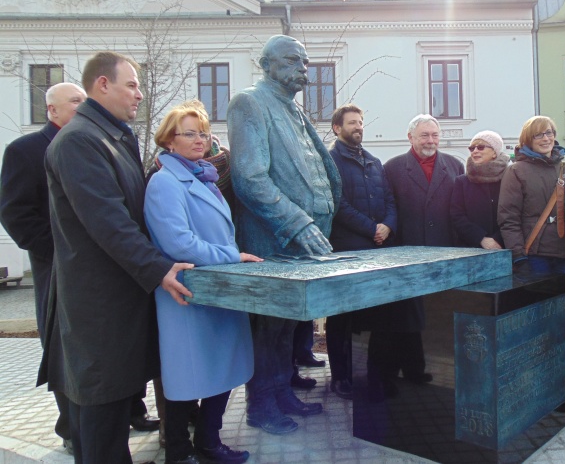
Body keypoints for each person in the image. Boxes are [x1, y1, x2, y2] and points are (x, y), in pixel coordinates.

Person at [39, 51, 194, 464]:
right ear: (102, 85)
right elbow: (109, 222)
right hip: (98, 308)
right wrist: (159, 268)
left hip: (118, 300)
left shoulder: (111, 135)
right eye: (131, 85)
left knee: (113, 410)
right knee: (101, 418)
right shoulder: (79, 141)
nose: (140, 94)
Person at [227, 35, 342, 435]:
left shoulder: (294, 111)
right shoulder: (250, 103)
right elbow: (249, 178)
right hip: (273, 236)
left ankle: (281, 392)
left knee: (288, 324)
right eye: (293, 60)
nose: (303, 69)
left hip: (306, 240)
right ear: (267, 64)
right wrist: (297, 221)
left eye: (306, 62)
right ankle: (261, 404)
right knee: (267, 326)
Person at [145, 100, 259, 464]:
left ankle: (209, 442)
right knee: (186, 377)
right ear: (169, 141)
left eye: (204, 133)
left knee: (223, 369)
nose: (200, 139)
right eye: (189, 133)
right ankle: (178, 453)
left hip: (218, 291)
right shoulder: (164, 182)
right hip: (188, 294)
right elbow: (176, 242)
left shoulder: (203, 177)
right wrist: (232, 256)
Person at [0, 82, 85, 453]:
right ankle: (70, 428)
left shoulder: (89, 144)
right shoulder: (25, 150)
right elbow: (16, 213)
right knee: (63, 347)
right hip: (55, 265)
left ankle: (128, 413)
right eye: (75, 103)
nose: (83, 108)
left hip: (95, 267)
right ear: (52, 110)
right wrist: (58, 249)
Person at [497, 116, 565, 404]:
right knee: (535, 324)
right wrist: (519, 255)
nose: (546, 139)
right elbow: (508, 218)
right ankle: (530, 385)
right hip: (535, 258)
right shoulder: (517, 171)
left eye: (549, 133)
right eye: (539, 135)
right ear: (528, 140)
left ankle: (559, 380)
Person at [380, 114, 464, 393]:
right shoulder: (392, 168)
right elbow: (387, 208)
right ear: (411, 138)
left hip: (442, 251)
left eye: (434, 135)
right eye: (424, 135)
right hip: (406, 253)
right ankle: (390, 375)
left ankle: (418, 369)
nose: (430, 141)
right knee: (402, 317)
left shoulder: (454, 165)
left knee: (433, 315)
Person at [327, 103, 397, 399]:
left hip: (377, 250)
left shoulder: (374, 161)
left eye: (361, 122)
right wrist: (372, 228)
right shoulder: (330, 161)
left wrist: (387, 227)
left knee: (374, 317)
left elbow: (391, 201)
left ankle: (371, 374)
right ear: (337, 128)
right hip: (346, 251)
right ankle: (341, 377)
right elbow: (337, 205)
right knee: (342, 318)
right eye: (352, 123)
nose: (358, 127)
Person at [450, 131, 510, 249]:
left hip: (504, 246)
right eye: (472, 148)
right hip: (471, 249)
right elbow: (457, 215)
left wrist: (498, 239)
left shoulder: (509, 179)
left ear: (494, 152)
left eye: (481, 147)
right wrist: (480, 238)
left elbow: (515, 214)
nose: (475, 151)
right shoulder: (462, 182)